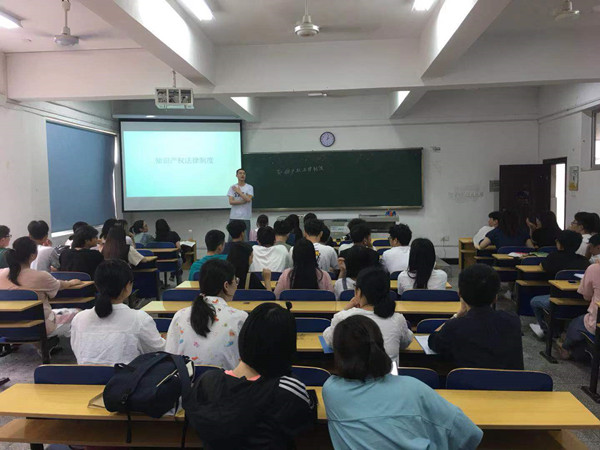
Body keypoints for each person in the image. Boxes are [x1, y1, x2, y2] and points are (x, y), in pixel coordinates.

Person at [323, 315, 483, 450]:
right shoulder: (413, 388)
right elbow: (470, 434)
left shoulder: (331, 391)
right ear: (380, 346)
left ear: (338, 354)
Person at [182, 303, 315, 449]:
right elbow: (306, 420)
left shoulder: (207, 383)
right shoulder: (286, 391)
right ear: (286, 347)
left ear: (244, 336)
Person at [428, 264, 524, 370]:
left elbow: (432, 340)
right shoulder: (513, 320)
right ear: (495, 297)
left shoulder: (454, 326)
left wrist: (457, 315)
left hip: (468, 381)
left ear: (460, 294)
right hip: (509, 381)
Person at [70, 260, 165, 365]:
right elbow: (160, 351)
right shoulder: (139, 319)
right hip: (126, 375)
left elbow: (77, 350)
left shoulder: (79, 318)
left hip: (85, 375)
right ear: (128, 286)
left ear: (96, 285)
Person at [166, 259, 247, 368]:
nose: (236, 285)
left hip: (187, 378)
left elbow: (170, 355)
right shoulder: (240, 318)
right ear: (226, 285)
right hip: (227, 378)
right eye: (235, 281)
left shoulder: (180, 315)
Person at [324, 266, 413, 363]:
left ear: (358, 292)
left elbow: (330, 341)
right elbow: (405, 342)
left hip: (355, 371)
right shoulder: (397, 319)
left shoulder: (343, 317)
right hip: (388, 372)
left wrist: (345, 309)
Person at [0, 237, 81, 336]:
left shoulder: (1, 274)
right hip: (40, 327)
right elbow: (60, 285)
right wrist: (71, 282)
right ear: (33, 255)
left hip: (6, 327)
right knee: (79, 313)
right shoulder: (41, 276)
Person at [529, 230, 590, 338]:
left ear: (560, 244)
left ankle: (544, 328)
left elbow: (542, 266)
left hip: (558, 300)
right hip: (582, 301)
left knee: (534, 301)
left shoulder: (553, 257)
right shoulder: (584, 261)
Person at [557, 262, 600, 360]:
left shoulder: (594, 268)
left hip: (596, 323)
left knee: (576, 323)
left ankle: (565, 347)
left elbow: (586, 297)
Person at [228, 168, 254, 240]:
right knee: (231, 239)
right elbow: (231, 202)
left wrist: (239, 192)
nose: (242, 175)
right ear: (236, 175)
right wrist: (243, 201)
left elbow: (248, 199)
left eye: (244, 173)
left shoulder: (249, 187)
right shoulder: (232, 187)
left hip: (245, 217)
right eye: (240, 173)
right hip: (234, 217)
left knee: (245, 239)